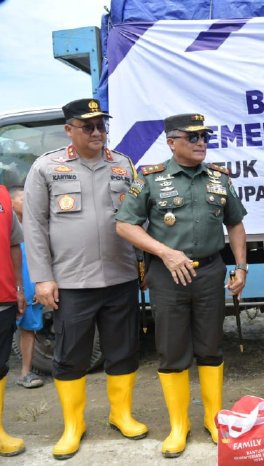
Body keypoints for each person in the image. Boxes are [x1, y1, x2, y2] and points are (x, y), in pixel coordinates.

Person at [115, 113, 248, 458]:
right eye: (192, 137)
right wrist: (165, 252)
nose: (201, 142)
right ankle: (179, 425)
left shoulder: (219, 179)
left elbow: (235, 224)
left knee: (211, 347)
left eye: (204, 136)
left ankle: (212, 419)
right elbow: (125, 226)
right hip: (167, 275)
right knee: (172, 350)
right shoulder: (150, 179)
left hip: (209, 272)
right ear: (172, 143)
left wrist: (241, 267)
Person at [23, 98, 147, 460]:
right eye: (88, 126)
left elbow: (139, 219)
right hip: (71, 282)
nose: (97, 132)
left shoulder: (123, 165)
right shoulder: (46, 168)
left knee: (123, 350)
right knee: (71, 356)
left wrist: (143, 266)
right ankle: (73, 425)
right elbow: (34, 227)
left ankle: (120, 414)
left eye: (101, 126)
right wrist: (42, 279)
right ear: (69, 130)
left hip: (121, 276)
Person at [0, 184, 26, 457]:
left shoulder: (3, 194)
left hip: (3, 296)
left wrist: (19, 287)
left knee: (0, 364)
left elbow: (13, 243)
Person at [9, 186, 44, 389]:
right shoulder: (7, 230)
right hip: (11, 287)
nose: (28, 201)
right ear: (11, 204)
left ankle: (25, 372)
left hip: (33, 288)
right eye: (23, 198)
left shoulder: (36, 228)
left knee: (29, 329)